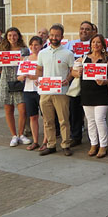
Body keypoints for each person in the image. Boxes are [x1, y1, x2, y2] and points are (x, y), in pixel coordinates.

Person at [72, 34, 108, 158]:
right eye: (93, 42)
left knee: (100, 119)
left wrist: (106, 81)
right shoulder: (83, 58)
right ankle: (93, 144)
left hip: (101, 94)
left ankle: (103, 145)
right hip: (87, 94)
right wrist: (77, 72)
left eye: (98, 42)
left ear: (103, 45)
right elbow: (73, 71)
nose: (95, 45)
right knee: (90, 121)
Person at [37, 24, 75, 156]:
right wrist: (38, 79)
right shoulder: (42, 53)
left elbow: (72, 71)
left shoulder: (68, 53)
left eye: (57, 35)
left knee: (63, 120)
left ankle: (65, 144)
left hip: (62, 92)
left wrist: (68, 79)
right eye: (52, 35)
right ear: (48, 36)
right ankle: (51, 144)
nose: (54, 37)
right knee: (48, 121)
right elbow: (39, 70)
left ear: (62, 37)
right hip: (45, 92)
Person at [0, 27, 30, 147]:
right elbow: (0, 70)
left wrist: (23, 61)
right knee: (8, 109)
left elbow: (28, 65)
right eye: (9, 35)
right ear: (6, 37)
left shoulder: (24, 50)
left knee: (22, 109)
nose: (12, 38)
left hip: (19, 81)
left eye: (14, 35)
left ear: (18, 36)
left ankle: (21, 134)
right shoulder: (2, 50)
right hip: (5, 81)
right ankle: (14, 135)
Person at [66, 21, 94, 147]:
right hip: (75, 81)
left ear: (92, 32)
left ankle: (93, 139)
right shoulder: (70, 44)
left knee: (91, 112)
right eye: (82, 28)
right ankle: (75, 136)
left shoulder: (95, 43)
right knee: (74, 110)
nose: (84, 31)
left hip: (91, 82)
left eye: (87, 29)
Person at [18, 36, 44, 150]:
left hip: (41, 90)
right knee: (33, 116)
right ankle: (35, 141)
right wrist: (23, 76)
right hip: (28, 90)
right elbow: (18, 77)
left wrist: (35, 76)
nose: (34, 47)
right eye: (32, 45)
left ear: (41, 46)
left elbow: (45, 73)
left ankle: (45, 141)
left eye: (36, 45)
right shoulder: (26, 59)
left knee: (45, 117)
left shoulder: (43, 57)